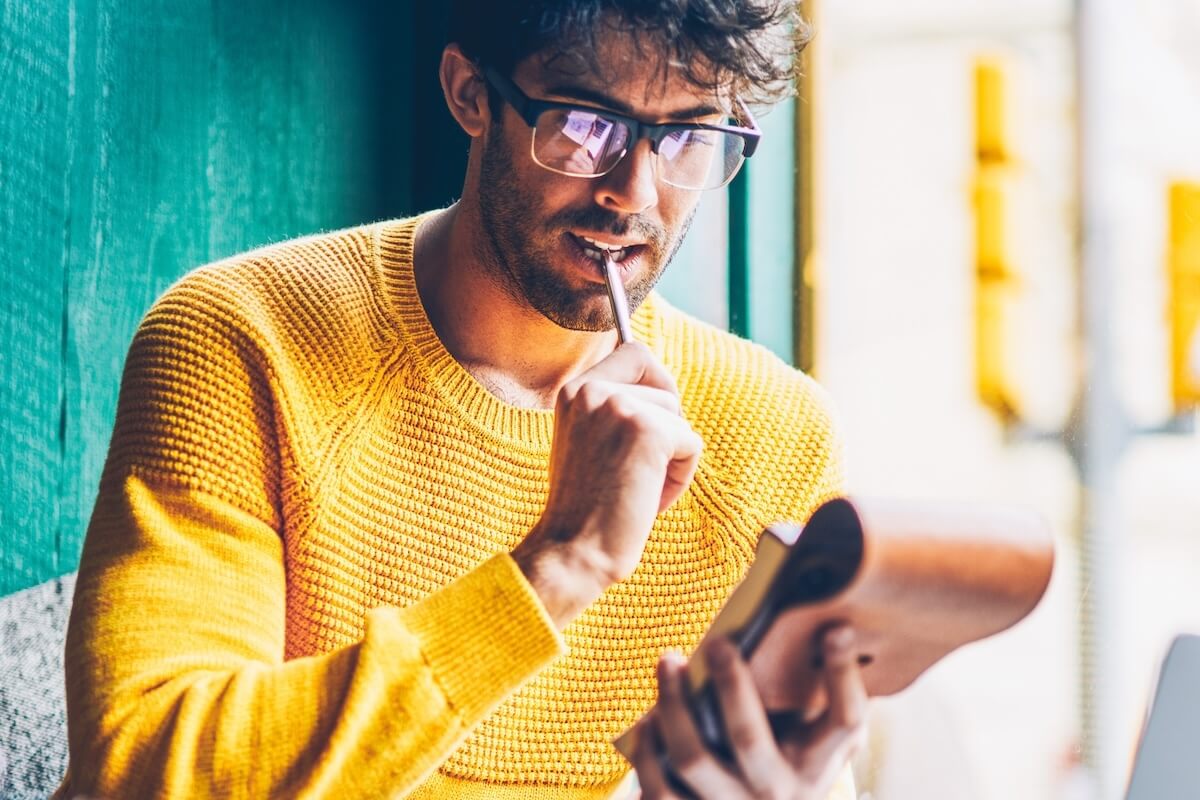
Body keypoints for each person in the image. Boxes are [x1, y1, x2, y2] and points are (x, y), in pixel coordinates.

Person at [59, 1, 868, 798]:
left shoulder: (777, 433)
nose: (635, 192)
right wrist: (559, 562)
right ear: (469, 93)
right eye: (587, 125)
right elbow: (143, 769)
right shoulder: (244, 338)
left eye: (689, 135)